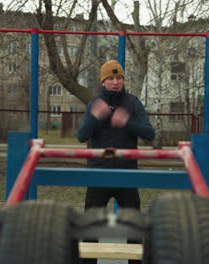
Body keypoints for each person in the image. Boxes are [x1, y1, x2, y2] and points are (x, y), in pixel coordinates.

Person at [77, 60, 155, 264]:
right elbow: (81, 136)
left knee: (134, 231)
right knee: (91, 230)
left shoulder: (133, 102)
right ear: (103, 82)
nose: (115, 82)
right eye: (110, 78)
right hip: (98, 175)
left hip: (127, 175)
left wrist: (127, 122)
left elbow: (150, 133)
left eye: (118, 77)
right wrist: (95, 117)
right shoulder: (94, 104)